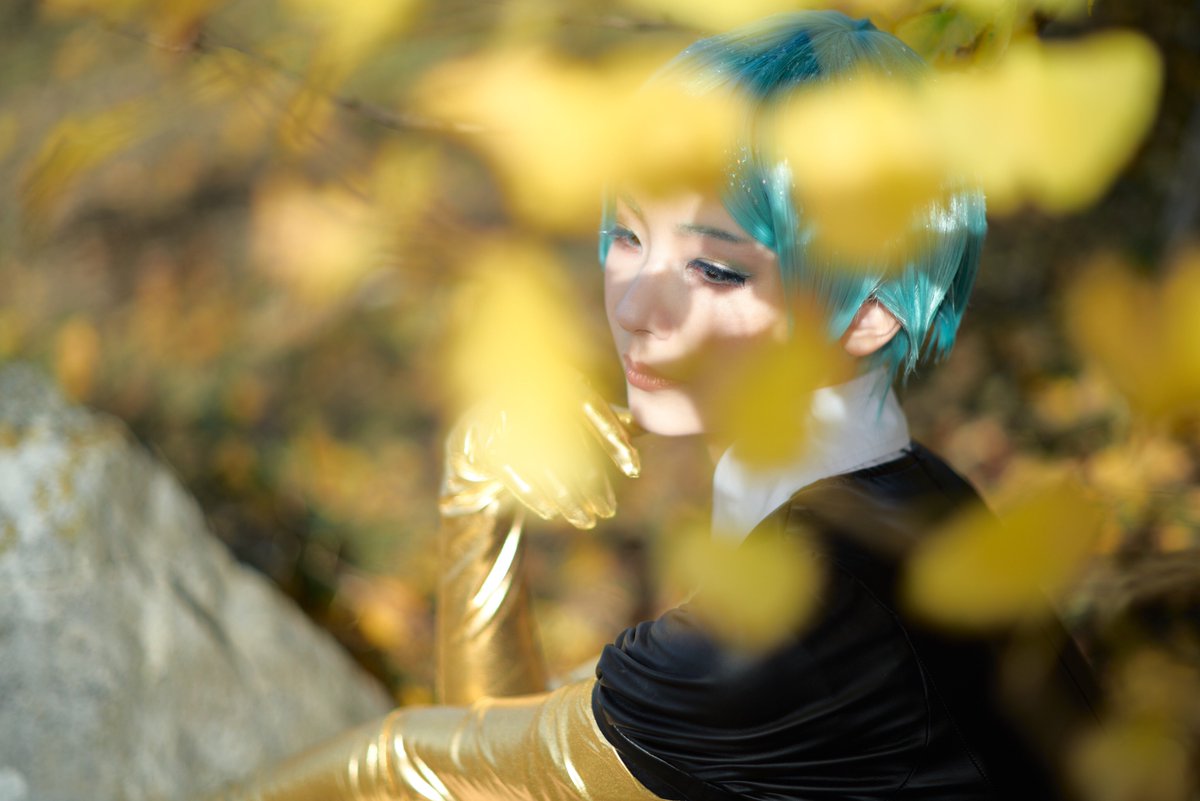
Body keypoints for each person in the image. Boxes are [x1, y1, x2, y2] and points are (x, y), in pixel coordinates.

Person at [202, 11, 1099, 801]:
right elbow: (500, 771)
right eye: (627, 234)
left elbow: (423, 771)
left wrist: (471, 501)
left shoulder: (788, 618)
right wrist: (483, 493)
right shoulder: (914, 496)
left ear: (869, 313)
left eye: (715, 268)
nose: (636, 305)